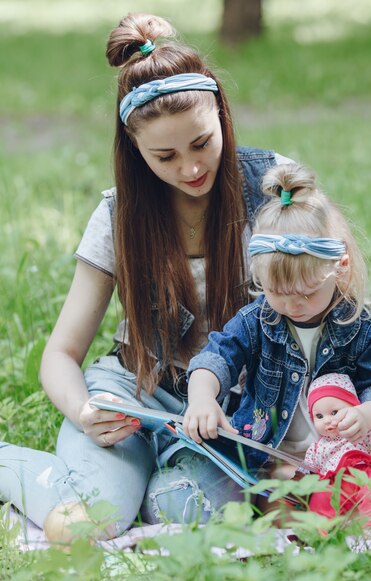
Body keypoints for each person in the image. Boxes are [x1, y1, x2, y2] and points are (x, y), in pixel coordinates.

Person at [0, 12, 292, 542]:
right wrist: (86, 411)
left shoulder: (272, 187)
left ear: (222, 116)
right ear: (135, 150)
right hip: (138, 399)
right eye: (165, 156)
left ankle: (149, 480)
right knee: (84, 526)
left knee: (185, 511)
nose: (190, 169)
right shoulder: (119, 217)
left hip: (237, 410)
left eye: (202, 142)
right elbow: (60, 354)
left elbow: (323, 305)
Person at [184, 162, 371, 497]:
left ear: (339, 268)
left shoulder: (361, 327)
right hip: (270, 453)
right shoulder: (257, 320)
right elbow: (217, 356)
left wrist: (366, 414)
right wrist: (201, 397)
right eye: (278, 293)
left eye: (307, 292)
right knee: (268, 500)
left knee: (355, 497)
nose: (293, 305)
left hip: (342, 453)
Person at [304, 372, 371, 522]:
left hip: (364, 473)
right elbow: (308, 467)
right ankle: (317, 531)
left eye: (334, 412)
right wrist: (302, 477)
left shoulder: (358, 431)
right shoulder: (319, 446)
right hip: (334, 482)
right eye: (319, 416)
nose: (327, 420)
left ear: (354, 407)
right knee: (319, 500)